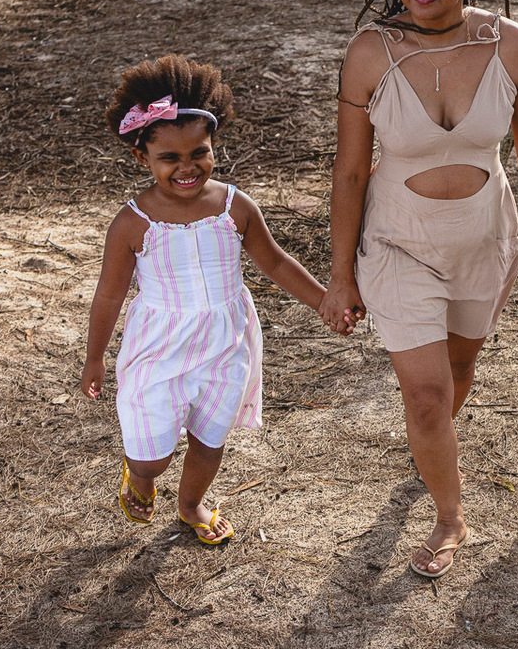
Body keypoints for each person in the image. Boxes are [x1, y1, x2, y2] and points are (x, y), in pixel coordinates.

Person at [319, 0, 518, 578]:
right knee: (427, 396)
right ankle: (449, 516)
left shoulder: (511, 46)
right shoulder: (369, 53)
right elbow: (349, 173)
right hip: (396, 242)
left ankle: (430, 449)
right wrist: (340, 275)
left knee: (459, 373)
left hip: (483, 240)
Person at [81, 55, 334, 545]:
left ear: (213, 146)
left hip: (225, 343)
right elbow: (109, 295)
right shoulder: (133, 223)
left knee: (209, 438)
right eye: (169, 158)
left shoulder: (234, 207)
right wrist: (95, 357)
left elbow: (277, 263)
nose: (186, 167)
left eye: (199, 153)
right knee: (151, 455)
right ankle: (141, 478)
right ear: (142, 157)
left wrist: (324, 301)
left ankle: (191, 503)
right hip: (158, 346)